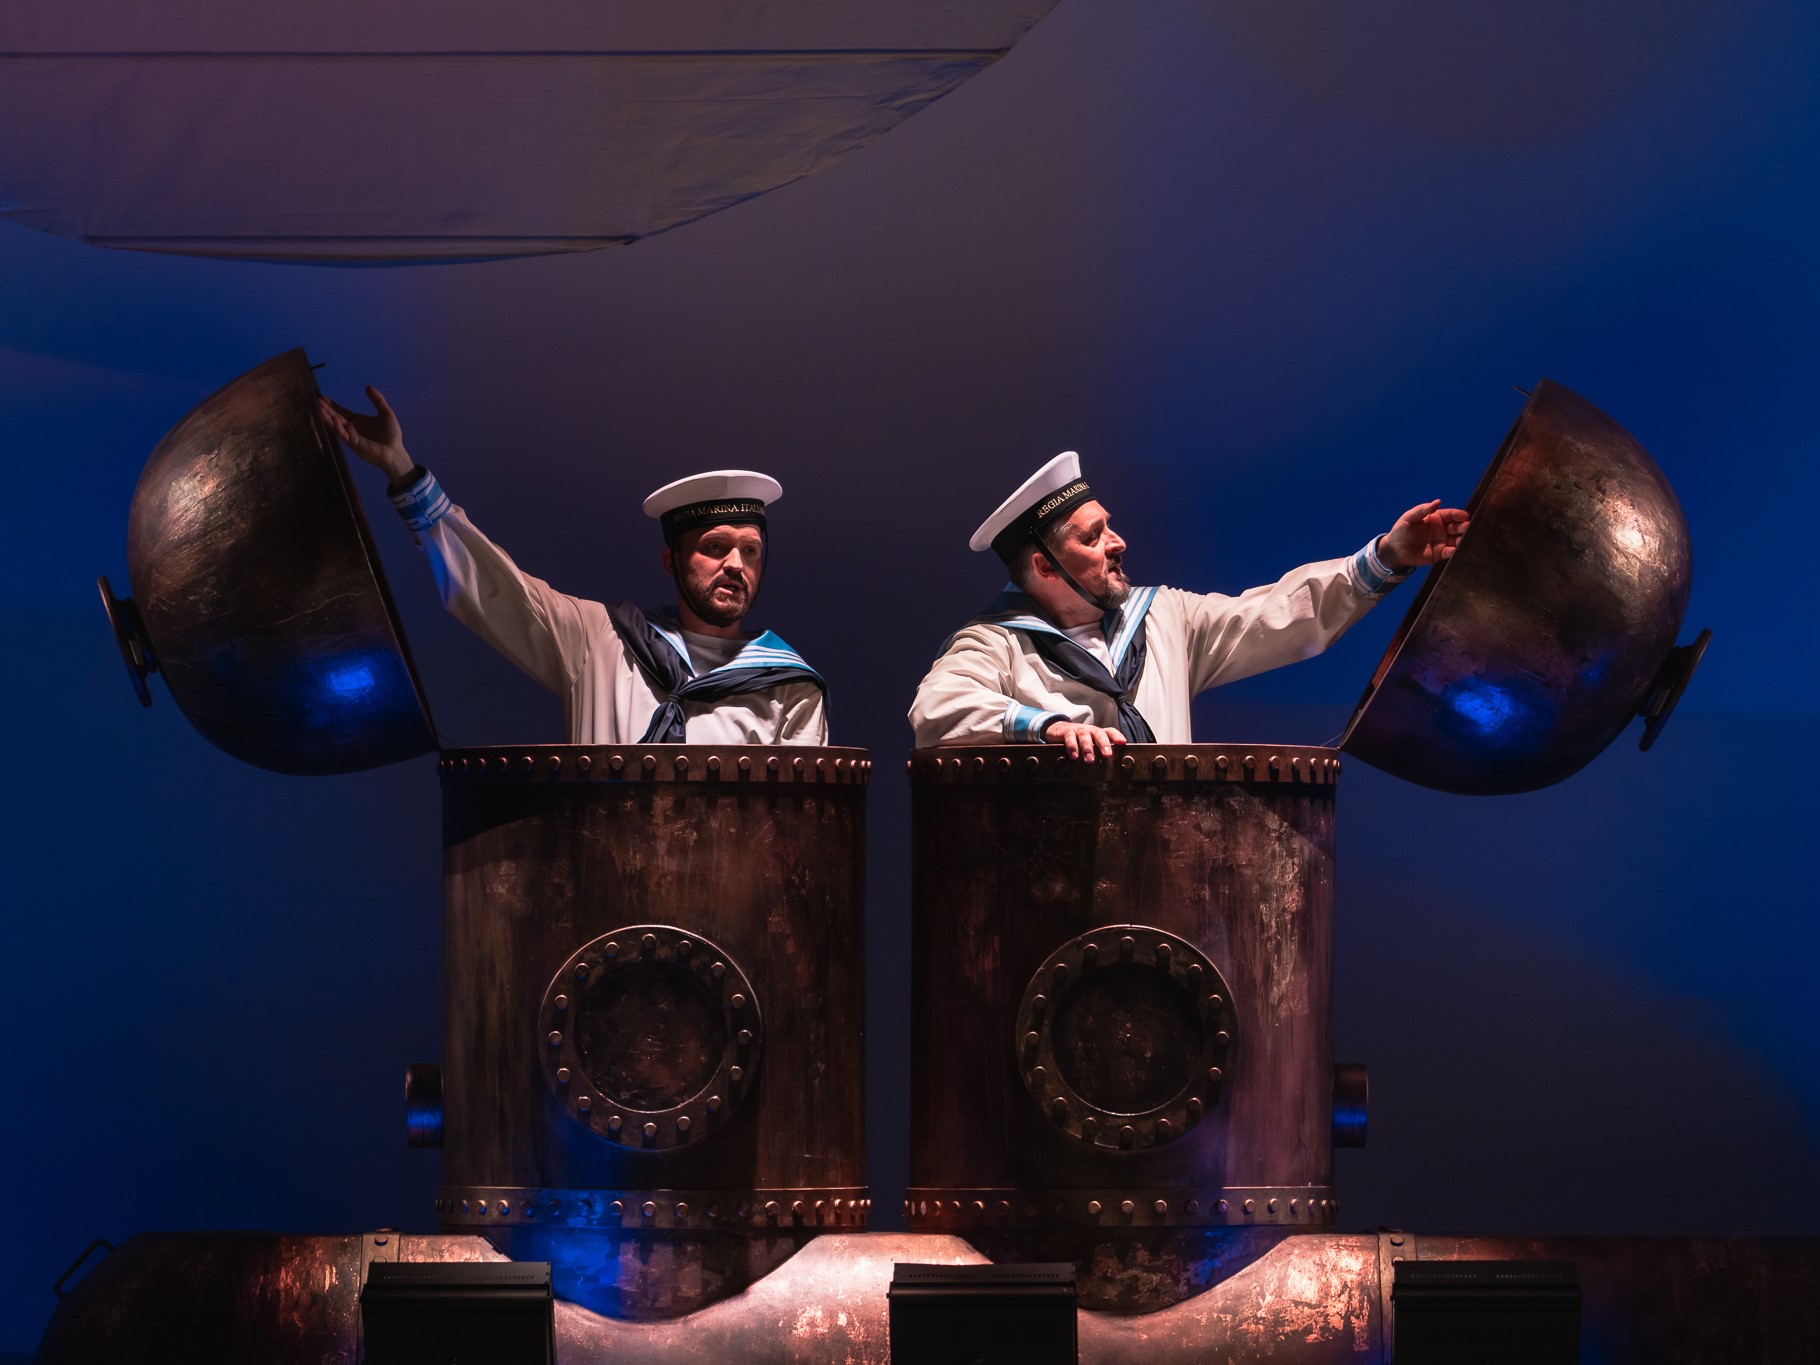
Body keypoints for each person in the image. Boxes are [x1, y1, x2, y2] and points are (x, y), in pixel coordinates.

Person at [321, 386, 827, 744]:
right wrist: (401, 468)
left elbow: (800, 830)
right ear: (671, 561)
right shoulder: (601, 641)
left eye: (751, 550)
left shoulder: (787, 686)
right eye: (716, 547)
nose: (736, 564)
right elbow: (495, 587)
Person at [908, 451, 1467, 758]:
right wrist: (1048, 726)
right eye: (1093, 537)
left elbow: (1275, 613)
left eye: (1109, 526)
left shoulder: (1162, 619)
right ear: (1045, 567)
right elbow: (938, 707)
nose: (1118, 543)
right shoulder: (997, 642)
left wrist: (1388, 556)